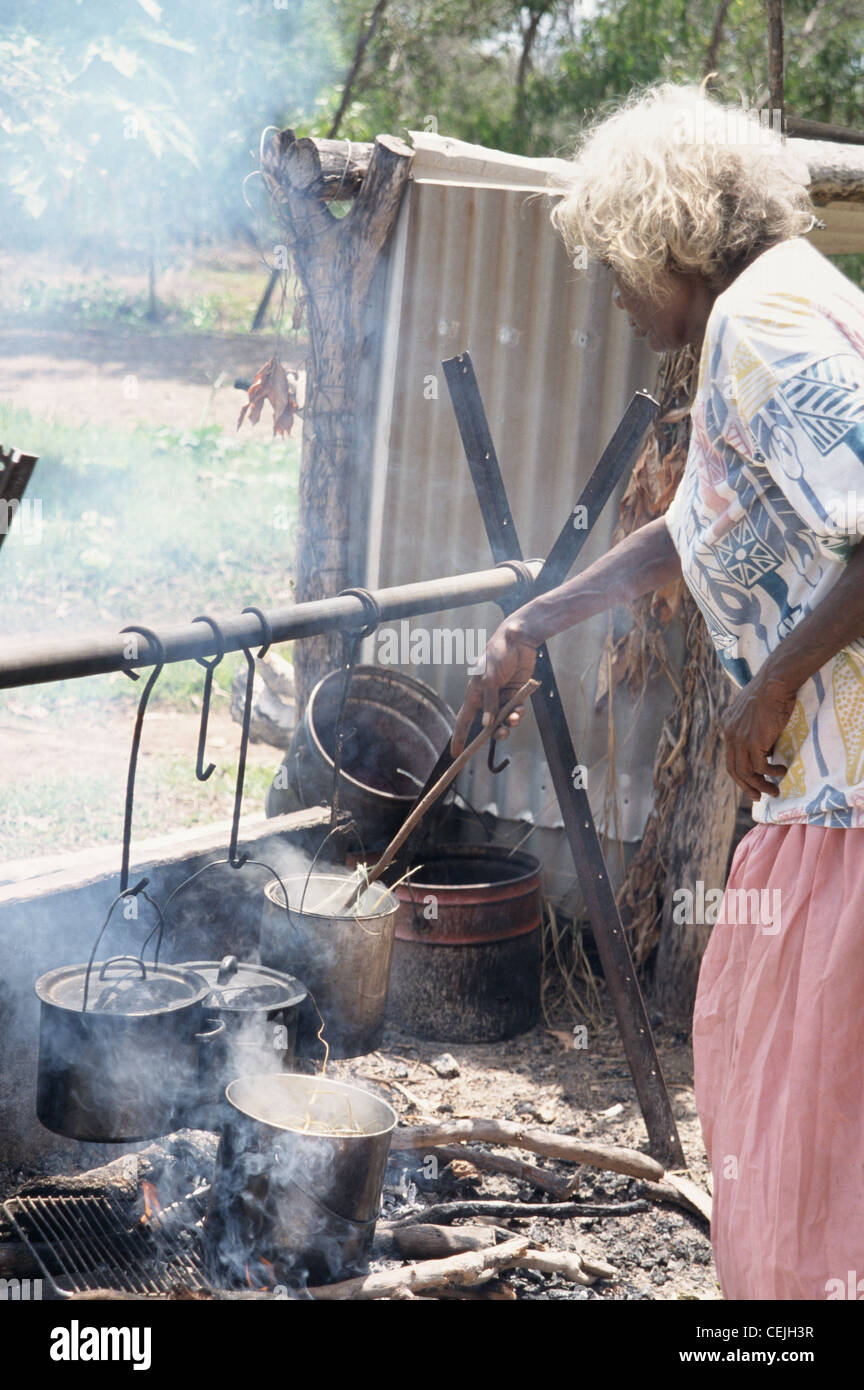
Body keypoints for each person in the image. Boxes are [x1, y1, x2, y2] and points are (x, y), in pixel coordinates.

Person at [451, 83, 864, 1301]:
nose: (625, 308)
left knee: (811, 1154)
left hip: (852, 811)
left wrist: (769, 688)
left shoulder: (766, 323)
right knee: (794, 1125)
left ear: (665, 233)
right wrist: (535, 618)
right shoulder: (787, 305)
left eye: (619, 272)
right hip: (826, 809)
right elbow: (699, 530)